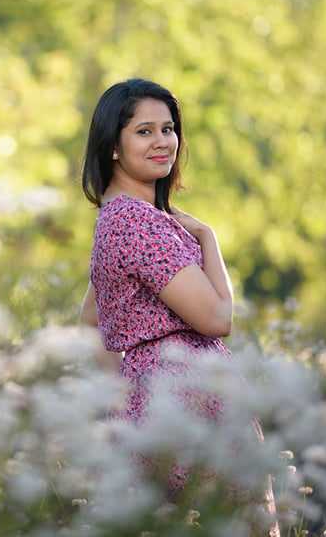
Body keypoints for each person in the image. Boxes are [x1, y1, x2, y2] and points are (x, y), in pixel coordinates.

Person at [79, 78, 279, 535]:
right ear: (113, 145)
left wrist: (131, 393)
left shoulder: (116, 218)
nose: (162, 142)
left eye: (167, 128)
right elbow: (218, 318)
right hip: (189, 406)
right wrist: (208, 236)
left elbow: (90, 320)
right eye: (144, 131)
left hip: (158, 404)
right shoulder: (139, 223)